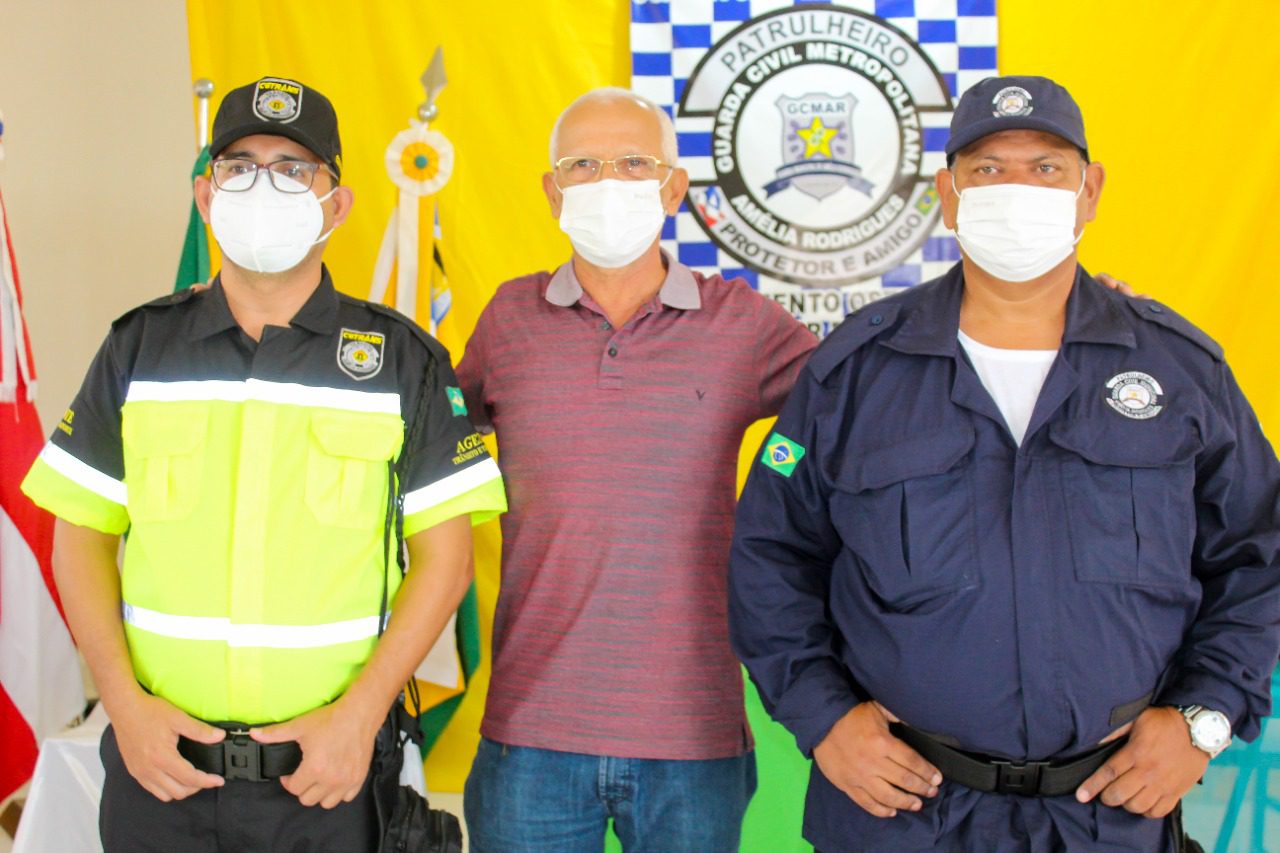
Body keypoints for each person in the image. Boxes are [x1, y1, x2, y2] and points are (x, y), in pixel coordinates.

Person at [728, 74, 1280, 852]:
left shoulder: (1180, 370)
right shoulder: (851, 374)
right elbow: (769, 555)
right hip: (901, 817)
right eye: (988, 170)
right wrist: (820, 716)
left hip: (1111, 817)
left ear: (1090, 192)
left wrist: (1204, 719)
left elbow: (1260, 553)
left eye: (1046, 168)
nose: (1016, 188)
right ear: (949, 197)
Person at [21, 76, 506, 851]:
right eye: (240, 166)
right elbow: (79, 538)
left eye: (293, 168)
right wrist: (122, 703)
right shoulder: (139, 349)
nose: (263, 186)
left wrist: (359, 716)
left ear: (337, 203)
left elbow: (445, 564)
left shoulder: (400, 362)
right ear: (206, 195)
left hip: (329, 779)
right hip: (160, 774)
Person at [454, 87, 818, 852]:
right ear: (553, 190)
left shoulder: (742, 324)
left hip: (694, 732)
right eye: (582, 164)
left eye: (631, 162)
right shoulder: (508, 319)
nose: (606, 180)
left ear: (673, 186)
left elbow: (870, 395)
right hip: (530, 728)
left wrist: (1055, 314)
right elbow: (422, 431)